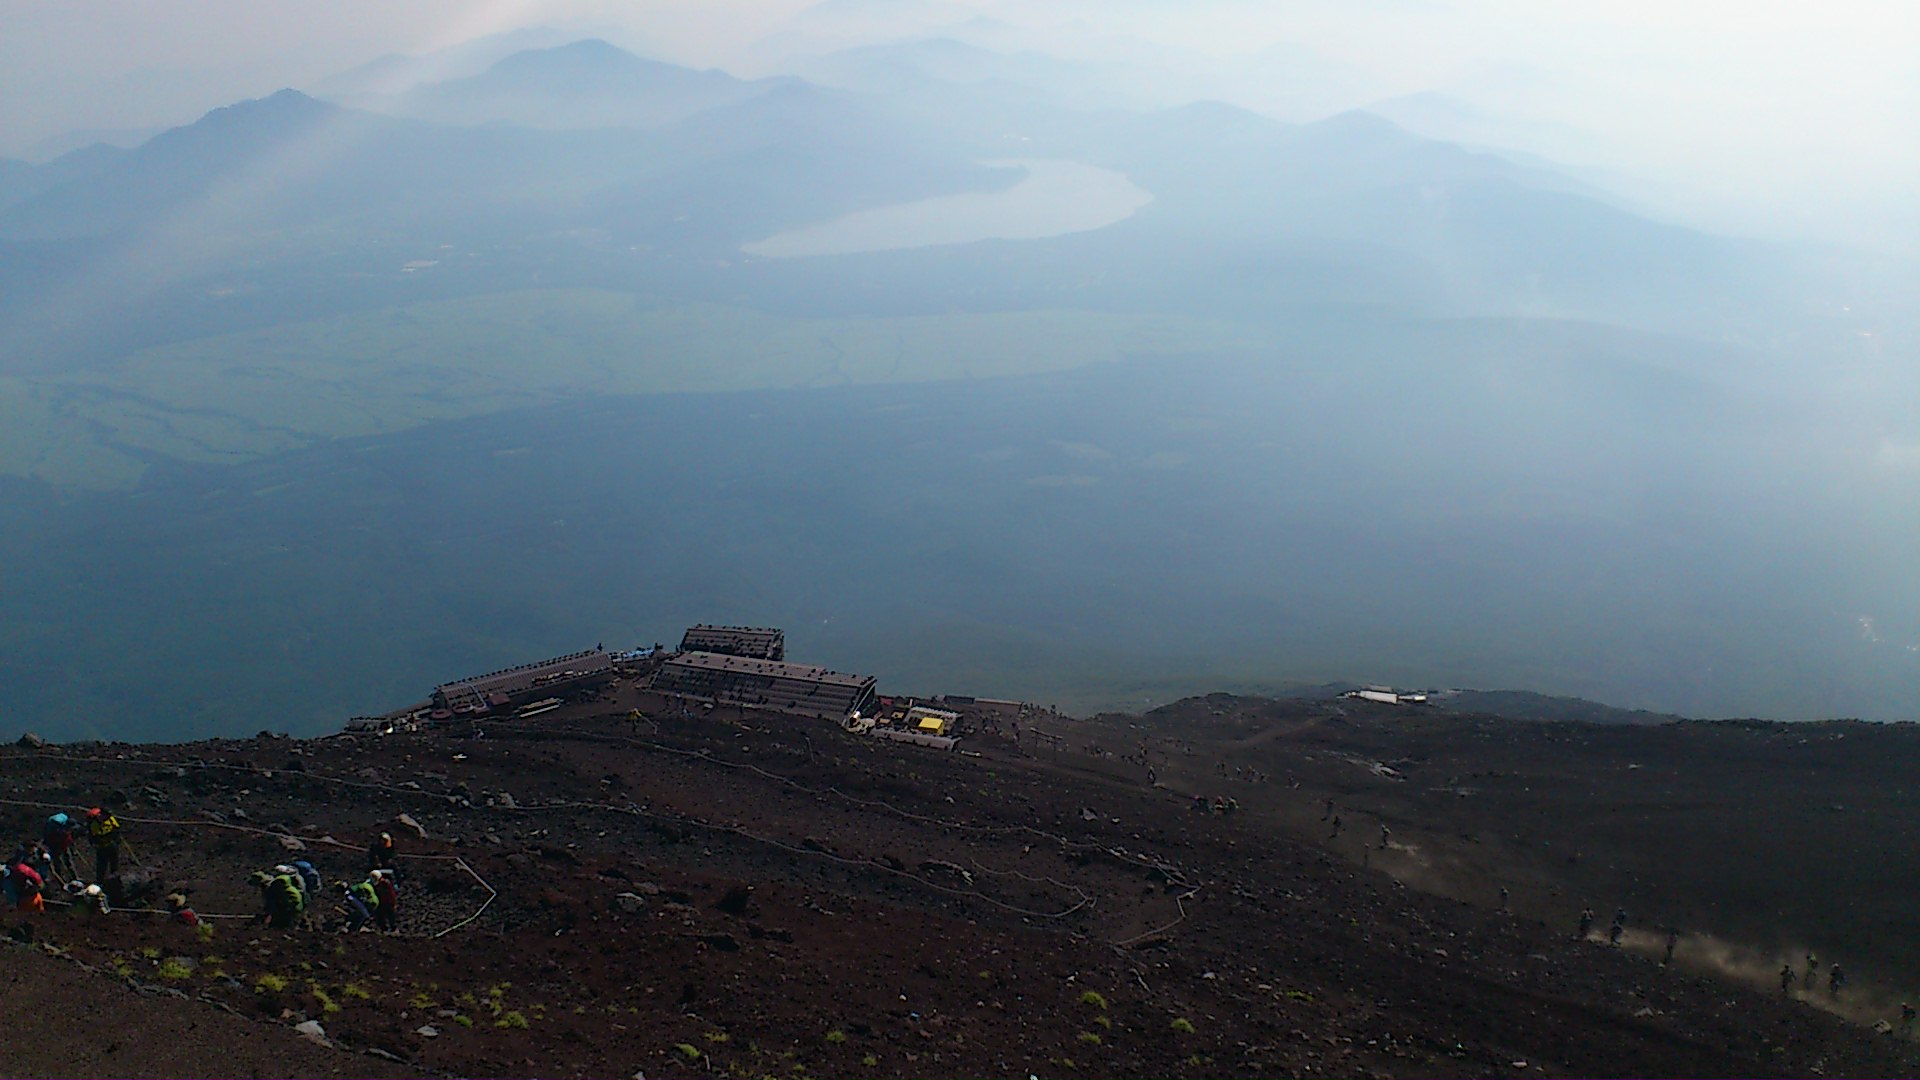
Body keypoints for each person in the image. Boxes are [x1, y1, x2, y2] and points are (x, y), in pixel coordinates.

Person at [86, 807, 122, 882]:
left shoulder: (110, 819)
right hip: (102, 847)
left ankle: (115, 878)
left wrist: (116, 838)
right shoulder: (95, 824)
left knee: (114, 862)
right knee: (102, 865)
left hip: (112, 844)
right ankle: (100, 881)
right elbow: (95, 837)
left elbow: (116, 828)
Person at [42, 814, 78, 878]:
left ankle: (74, 876)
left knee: (68, 860)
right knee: (58, 861)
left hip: (64, 845)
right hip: (56, 846)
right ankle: (60, 876)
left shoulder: (66, 830)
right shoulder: (57, 831)